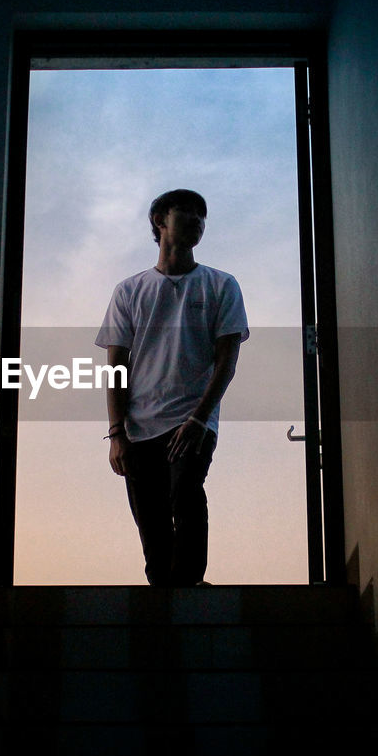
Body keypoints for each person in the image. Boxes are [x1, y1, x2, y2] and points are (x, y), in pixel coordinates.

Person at [94, 189, 249, 586]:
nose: (197, 219)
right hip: (139, 425)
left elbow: (226, 361)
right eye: (187, 211)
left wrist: (200, 418)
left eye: (202, 214)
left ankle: (190, 587)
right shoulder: (130, 291)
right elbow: (116, 365)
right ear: (160, 222)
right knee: (151, 518)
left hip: (193, 420)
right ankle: (165, 591)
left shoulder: (221, 285)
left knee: (186, 491)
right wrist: (116, 432)